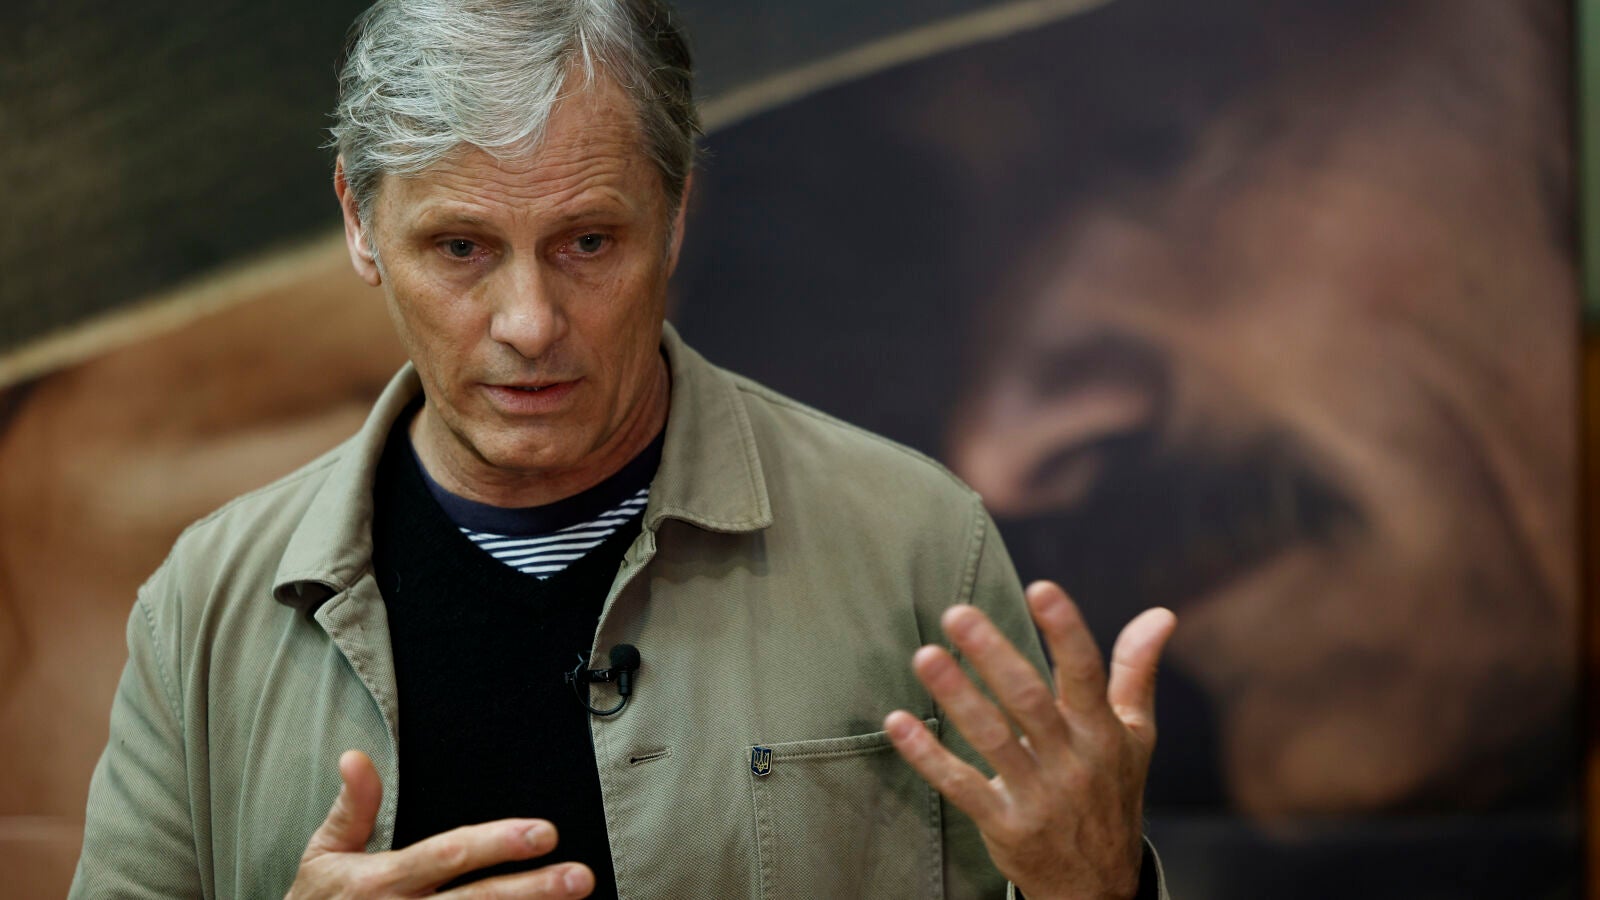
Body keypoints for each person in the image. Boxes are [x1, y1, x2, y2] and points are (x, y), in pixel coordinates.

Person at [69, 1, 1173, 897]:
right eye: (460, 248)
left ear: (676, 216)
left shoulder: (911, 543)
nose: (528, 322)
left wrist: (1094, 889)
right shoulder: (207, 602)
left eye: (588, 242)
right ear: (361, 226)